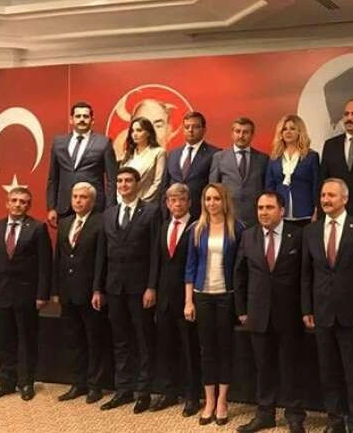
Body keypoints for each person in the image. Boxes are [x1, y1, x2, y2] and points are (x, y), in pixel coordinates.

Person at [302, 178, 353, 433]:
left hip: (351, 312)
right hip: (322, 312)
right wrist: (307, 308)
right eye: (323, 195)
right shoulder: (310, 231)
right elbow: (306, 274)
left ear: (345, 198)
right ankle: (334, 421)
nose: (326, 200)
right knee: (328, 371)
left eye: (331, 195)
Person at [235, 192, 306, 433]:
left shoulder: (297, 235)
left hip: (289, 314)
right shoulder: (248, 236)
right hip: (258, 314)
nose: (263, 212)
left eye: (269, 207)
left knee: (290, 367)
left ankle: (295, 416)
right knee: (263, 367)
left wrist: (306, 310)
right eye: (260, 208)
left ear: (282, 211)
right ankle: (265, 414)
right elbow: (240, 274)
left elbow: (305, 275)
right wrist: (241, 310)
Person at [97, 166, 160, 413]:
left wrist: (151, 286)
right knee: (120, 340)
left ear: (137, 184)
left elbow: (155, 253)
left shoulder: (151, 212)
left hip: (140, 287)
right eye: (120, 181)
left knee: (143, 339)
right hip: (114, 287)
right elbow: (102, 254)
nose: (123, 185)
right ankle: (123, 389)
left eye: (128, 181)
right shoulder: (109, 213)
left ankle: (144, 392)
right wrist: (97, 288)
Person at [0, 186, 51, 401]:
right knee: (5, 340)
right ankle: (6, 382)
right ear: (7, 203)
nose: (18, 204)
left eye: (23, 201)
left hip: (27, 295)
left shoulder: (38, 228)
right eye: (14, 200)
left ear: (29, 206)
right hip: (1, 293)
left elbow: (45, 265)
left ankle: (26, 382)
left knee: (27, 340)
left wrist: (42, 294)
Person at [184, 183, 245, 425]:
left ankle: (222, 400)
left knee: (225, 348)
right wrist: (188, 301)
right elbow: (189, 267)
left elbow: (241, 269)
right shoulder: (196, 228)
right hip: (202, 295)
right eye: (208, 199)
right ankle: (209, 400)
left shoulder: (237, 228)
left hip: (226, 295)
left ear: (224, 201)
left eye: (216, 199)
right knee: (207, 350)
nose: (212, 203)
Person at [52, 182, 107, 404]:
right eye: (75, 196)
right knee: (73, 339)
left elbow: (101, 259)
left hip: (89, 292)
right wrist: (56, 289)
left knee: (94, 338)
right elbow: (58, 257)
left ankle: (95, 385)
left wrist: (97, 289)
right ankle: (78, 382)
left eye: (83, 197)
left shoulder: (100, 222)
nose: (78, 200)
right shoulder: (65, 223)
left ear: (92, 201)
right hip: (67, 291)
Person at [152, 183, 202, 416]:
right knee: (166, 347)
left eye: (181, 199)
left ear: (189, 202)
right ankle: (168, 391)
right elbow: (158, 262)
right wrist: (153, 289)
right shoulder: (164, 226)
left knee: (189, 349)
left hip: (187, 299)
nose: (177, 204)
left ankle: (192, 396)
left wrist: (191, 299)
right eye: (172, 200)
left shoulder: (197, 227)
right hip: (164, 298)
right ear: (167, 203)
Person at [46, 101, 117, 227]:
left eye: (85, 116)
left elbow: (112, 179)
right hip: (64, 207)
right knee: (65, 240)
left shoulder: (104, 143)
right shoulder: (58, 142)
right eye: (78, 116)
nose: (82, 119)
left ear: (92, 120)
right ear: (71, 119)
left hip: (94, 206)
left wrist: (110, 208)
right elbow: (53, 178)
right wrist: (51, 207)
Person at [209, 117, 268, 227]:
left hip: (254, 218)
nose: (241, 135)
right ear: (232, 133)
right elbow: (212, 189)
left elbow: (266, 189)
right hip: (227, 217)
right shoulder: (219, 157)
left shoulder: (263, 159)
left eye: (245, 132)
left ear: (252, 135)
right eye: (237, 131)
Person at [162, 111, 220, 220]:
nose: (190, 130)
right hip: (173, 215)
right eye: (187, 127)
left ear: (204, 130)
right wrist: (165, 214)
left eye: (195, 127)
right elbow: (165, 185)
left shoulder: (215, 154)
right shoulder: (173, 154)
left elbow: (214, 187)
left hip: (200, 214)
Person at [265, 114, 320, 226]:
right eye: (284, 129)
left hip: (305, 213)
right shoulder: (274, 158)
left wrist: (317, 209)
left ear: (300, 132)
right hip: (281, 214)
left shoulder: (311, 156)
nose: (288, 132)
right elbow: (269, 187)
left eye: (292, 128)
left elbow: (316, 185)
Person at [119, 116, 167, 203]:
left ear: (148, 133)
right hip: (124, 203)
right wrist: (121, 201)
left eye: (139, 130)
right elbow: (120, 181)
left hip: (146, 204)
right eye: (132, 131)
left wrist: (141, 203)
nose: (135, 134)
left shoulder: (158, 152)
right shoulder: (128, 154)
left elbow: (158, 182)